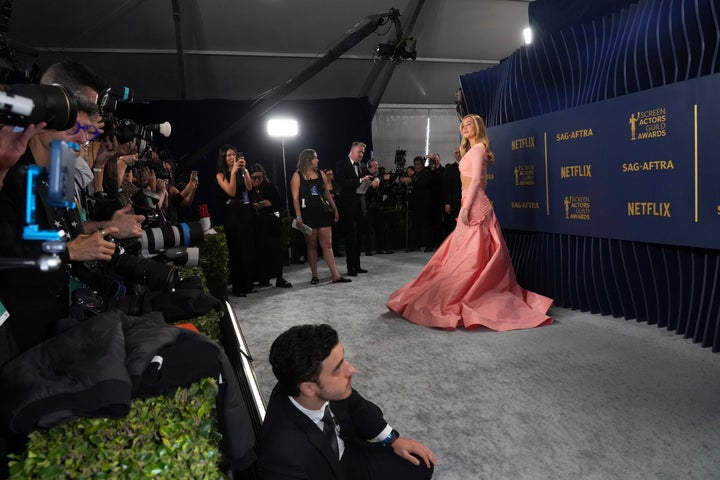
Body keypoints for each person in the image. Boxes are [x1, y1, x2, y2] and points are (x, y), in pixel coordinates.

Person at [387, 114, 554, 331]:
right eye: (463, 125)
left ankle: (474, 291)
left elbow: (477, 180)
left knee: (471, 254)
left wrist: (466, 208)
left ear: (478, 127)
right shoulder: (472, 150)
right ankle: (470, 288)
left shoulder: (477, 149)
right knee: (464, 252)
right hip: (471, 201)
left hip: (475, 205)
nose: (465, 127)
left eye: (469, 124)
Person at [257, 324, 435, 480]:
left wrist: (392, 439)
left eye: (344, 360)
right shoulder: (282, 455)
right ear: (309, 388)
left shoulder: (314, 386)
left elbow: (357, 406)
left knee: (420, 464)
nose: (351, 369)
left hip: (348, 452)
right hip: (322, 472)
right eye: (337, 369)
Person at [290, 149, 350, 285]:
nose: (318, 160)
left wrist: (334, 208)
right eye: (315, 158)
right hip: (307, 214)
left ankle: (335, 275)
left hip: (322, 212)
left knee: (327, 245)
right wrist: (299, 217)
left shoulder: (320, 173)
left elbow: (326, 193)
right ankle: (315, 275)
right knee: (311, 246)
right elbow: (295, 198)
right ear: (308, 160)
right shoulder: (297, 176)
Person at [215, 145, 256, 296]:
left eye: (234, 155)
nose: (232, 158)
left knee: (247, 247)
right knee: (236, 250)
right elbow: (231, 192)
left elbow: (250, 187)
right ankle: (239, 288)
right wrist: (232, 173)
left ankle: (249, 284)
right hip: (232, 212)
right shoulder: (220, 174)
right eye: (229, 155)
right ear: (223, 158)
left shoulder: (241, 170)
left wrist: (244, 171)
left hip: (245, 210)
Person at [248, 163, 292, 288]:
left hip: (271, 223)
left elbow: (279, 203)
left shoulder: (270, 186)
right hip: (257, 225)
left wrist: (269, 204)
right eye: (254, 177)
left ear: (264, 176)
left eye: (259, 177)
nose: (257, 180)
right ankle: (263, 278)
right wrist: (254, 206)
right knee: (260, 252)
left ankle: (279, 277)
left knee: (276, 251)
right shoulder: (248, 189)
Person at [335, 141, 373, 276]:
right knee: (350, 237)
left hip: (360, 206)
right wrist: (360, 180)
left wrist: (368, 182)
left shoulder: (362, 166)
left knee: (359, 237)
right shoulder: (341, 164)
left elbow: (362, 184)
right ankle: (350, 267)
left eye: (363, 152)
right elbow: (342, 183)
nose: (361, 154)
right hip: (347, 206)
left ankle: (357, 265)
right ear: (352, 150)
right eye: (359, 152)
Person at [442, 147, 462, 236]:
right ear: (454, 155)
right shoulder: (450, 169)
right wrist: (447, 203)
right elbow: (446, 187)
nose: (458, 154)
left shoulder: (470, 166)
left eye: (460, 152)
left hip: (468, 201)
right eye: (456, 153)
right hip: (455, 202)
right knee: (454, 225)